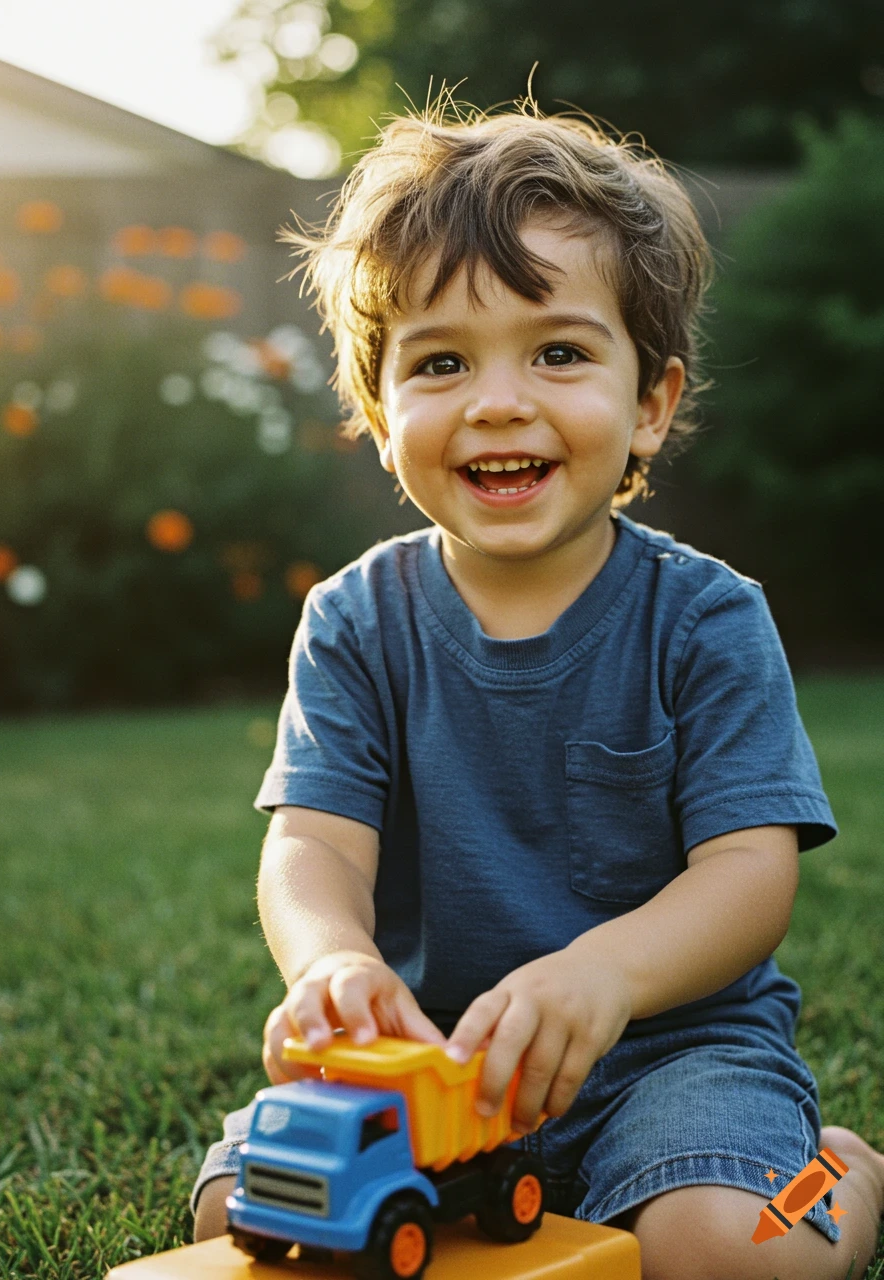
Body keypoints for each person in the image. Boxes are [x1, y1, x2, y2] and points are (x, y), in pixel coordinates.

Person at [192, 98, 884, 1279]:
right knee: (249, 1222)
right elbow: (310, 842)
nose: (497, 399)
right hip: (436, 1056)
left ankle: (843, 1172)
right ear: (377, 412)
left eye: (557, 351)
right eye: (441, 361)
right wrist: (330, 965)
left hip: (671, 1050)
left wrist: (606, 972)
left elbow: (748, 871)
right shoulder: (355, 620)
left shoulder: (704, 617)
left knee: (731, 1253)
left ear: (648, 406)